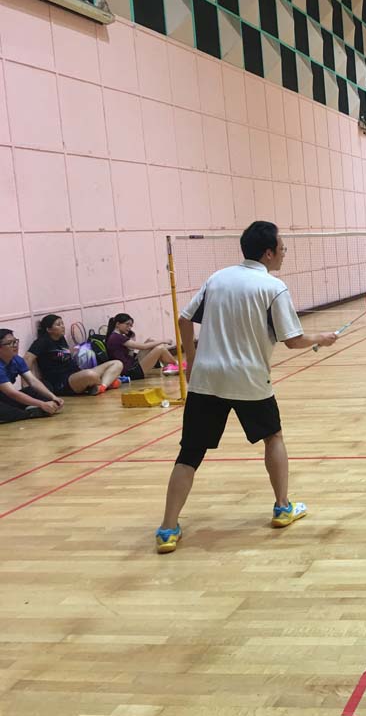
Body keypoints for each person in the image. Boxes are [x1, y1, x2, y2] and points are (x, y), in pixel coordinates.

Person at [154, 221, 341, 554]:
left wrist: (191, 361)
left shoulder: (217, 278)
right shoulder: (273, 287)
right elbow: (293, 340)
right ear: (268, 253)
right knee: (273, 437)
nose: (284, 253)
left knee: (190, 453)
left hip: (206, 379)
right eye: (282, 248)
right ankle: (282, 507)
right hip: (249, 379)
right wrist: (321, 338)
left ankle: (167, 529)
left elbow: (184, 319)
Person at [24, 315, 123, 396]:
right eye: (58, 324)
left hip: (76, 374)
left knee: (117, 364)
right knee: (90, 375)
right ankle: (106, 382)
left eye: (62, 323)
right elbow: (28, 358)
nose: (63, 326)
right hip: (61, 382)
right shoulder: (42, 342)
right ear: (49, 329)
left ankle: (102, 386)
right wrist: (29, 383)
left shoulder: (61, 339)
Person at [0, 329, 63, 423]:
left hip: (5, 397)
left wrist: (53, 397)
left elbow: (33, 381)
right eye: (9, 343)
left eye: (15, 341)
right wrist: (41, 404)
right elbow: (12, 393)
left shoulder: (17, 360)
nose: (15, 345)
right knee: (6, 411)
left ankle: (26, 409)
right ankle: (28, 413)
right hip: (5, 397)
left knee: (46, 385)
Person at [106, 313, 179, 380]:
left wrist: (131, 344)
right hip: (130, 372)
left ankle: (169, 366)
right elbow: (143, 347)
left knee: (151, 340)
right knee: (160, 348)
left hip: (131, 365)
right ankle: (176, 365)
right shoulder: (117, 337)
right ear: (118, 324)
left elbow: (130, 355)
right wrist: (163, 340)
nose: (129, 328)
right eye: (127, 324)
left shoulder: (116, 336)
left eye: (131, 325)